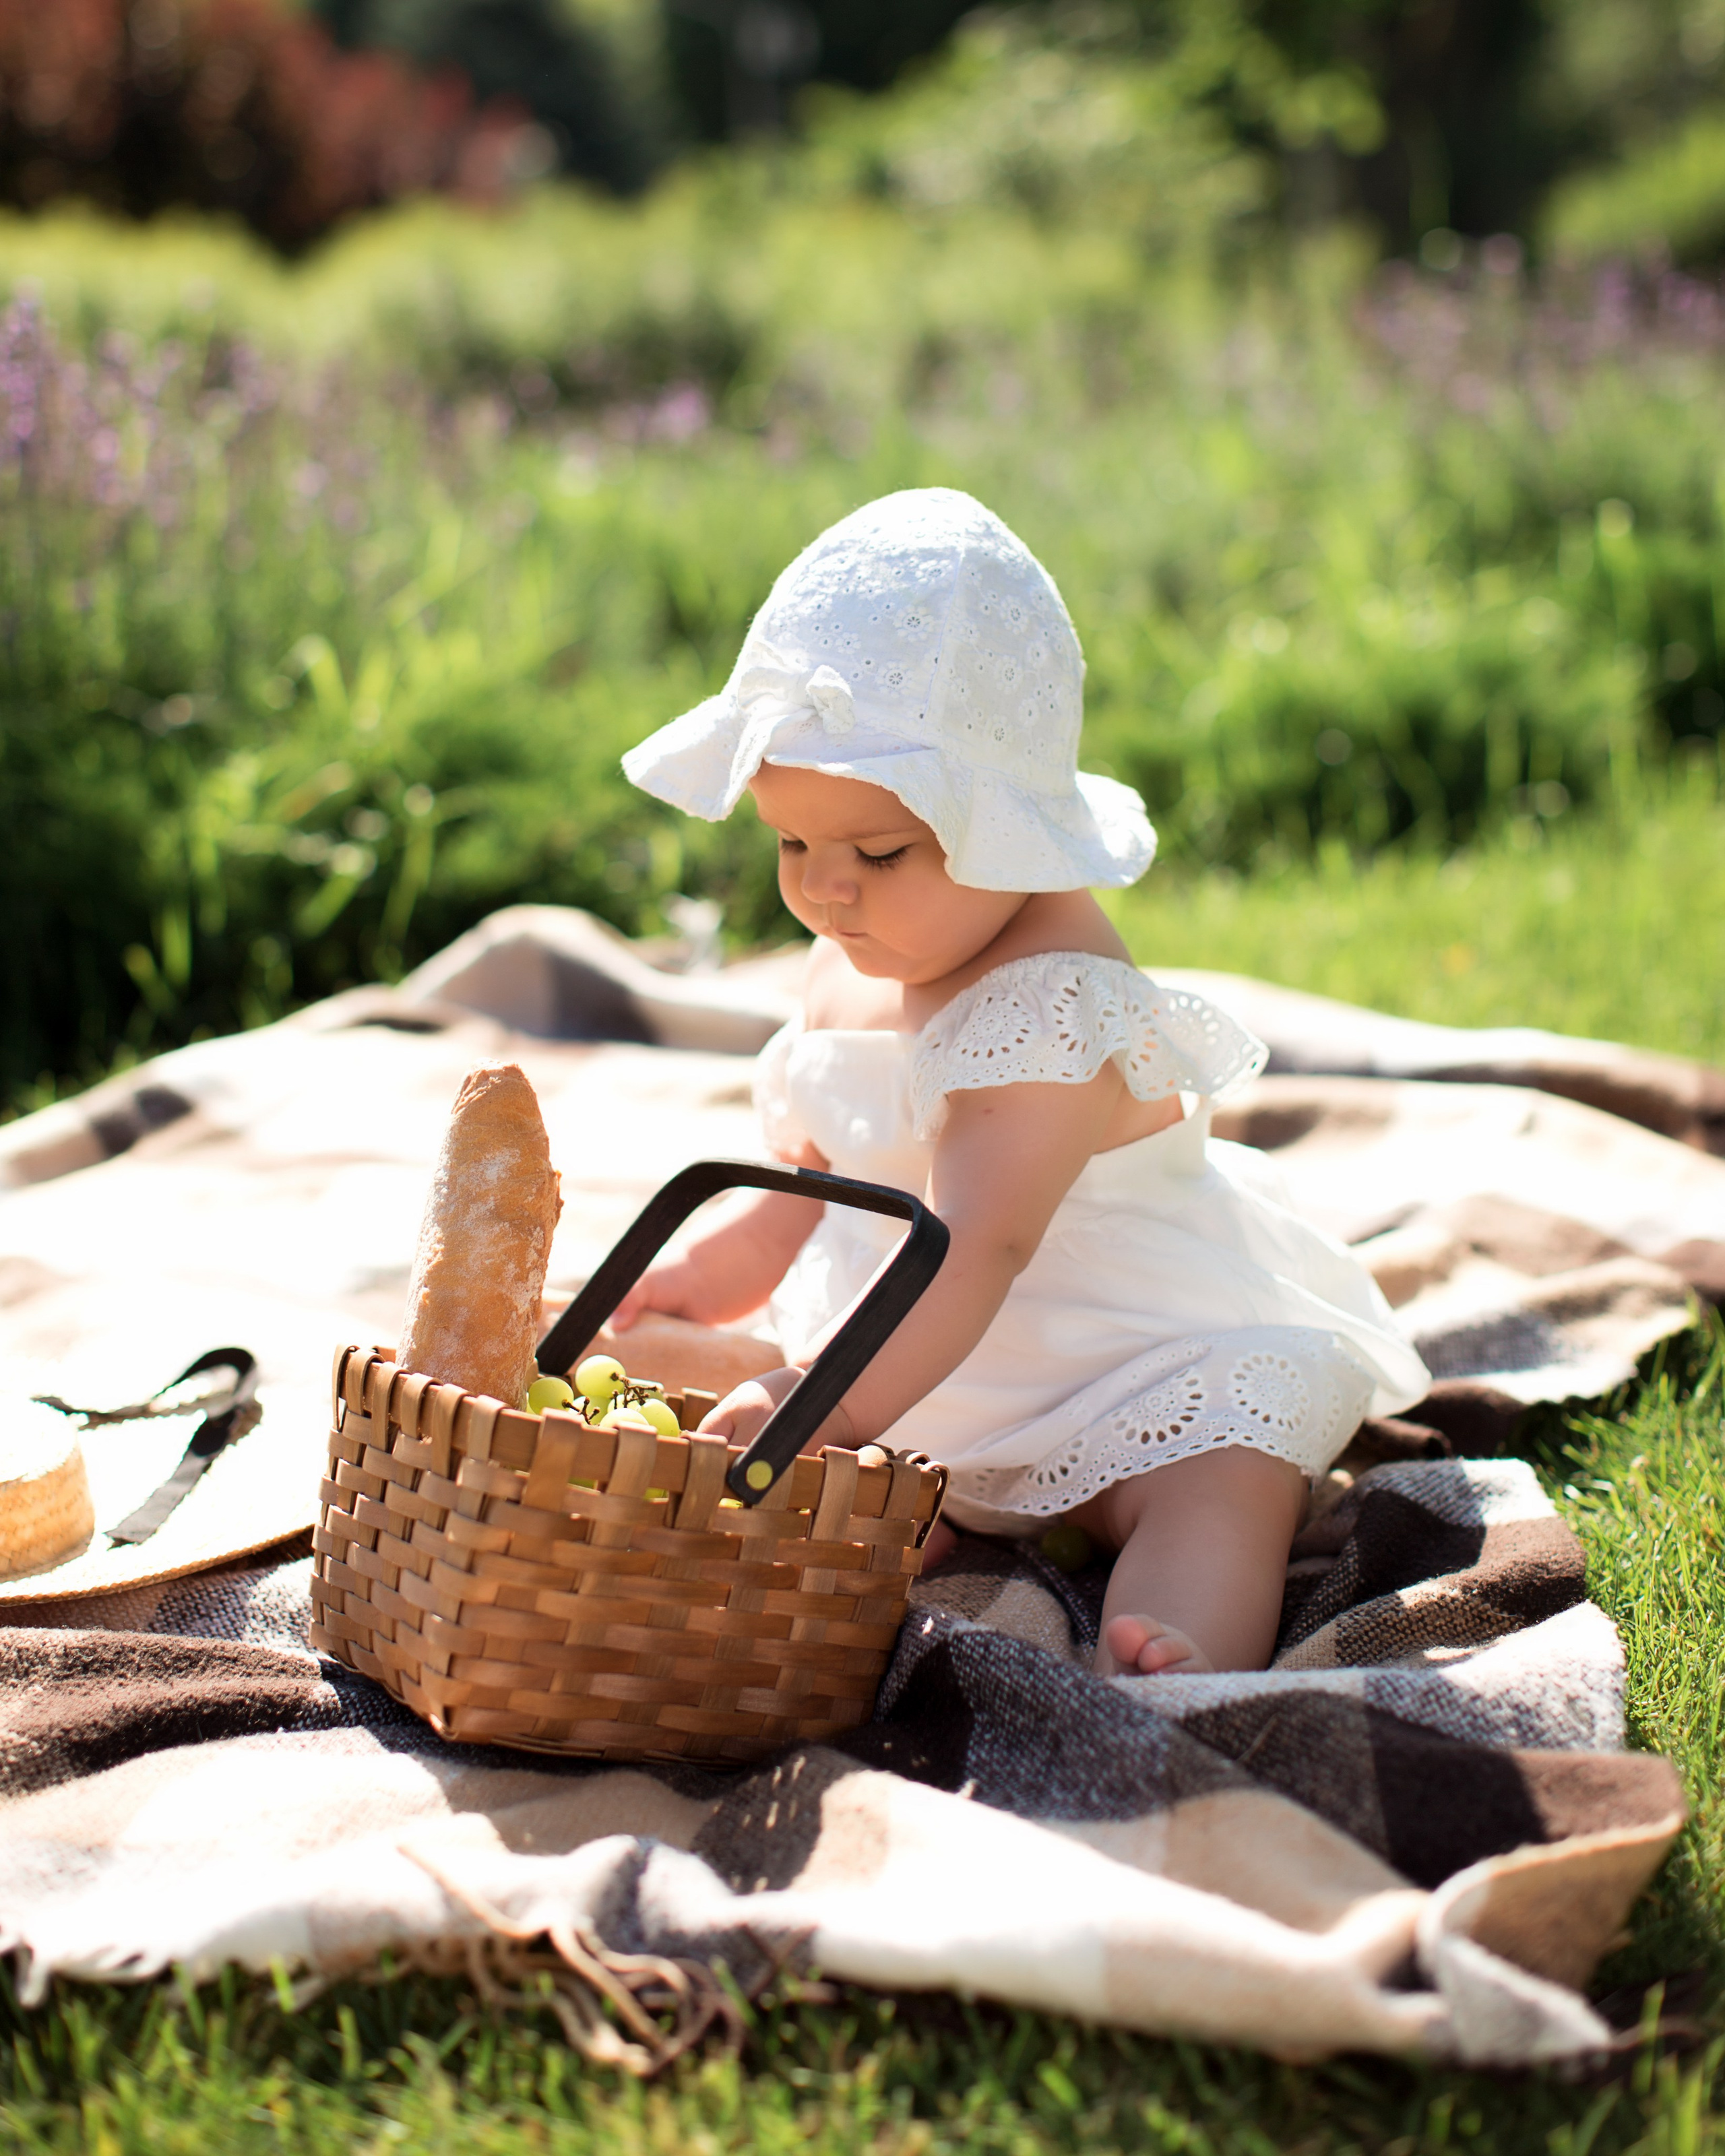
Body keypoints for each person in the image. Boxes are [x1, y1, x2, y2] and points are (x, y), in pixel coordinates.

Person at [613, 487, 1430, 1678]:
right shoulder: (855, 949)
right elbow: (818, 1166)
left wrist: (828, 1410)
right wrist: (714, 1266)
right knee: (740, 1433)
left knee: (1218, 1478)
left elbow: (975, 1243)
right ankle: (936, 1500)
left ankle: (1173, 1644)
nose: (827, 893)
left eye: (880, 853)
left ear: (1006, 832)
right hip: (921, 1373)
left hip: (1124, 1360)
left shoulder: (1046, 1002)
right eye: (793, 844)